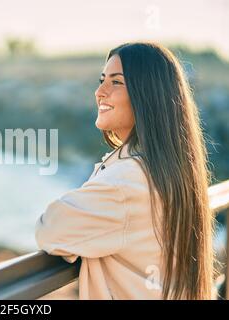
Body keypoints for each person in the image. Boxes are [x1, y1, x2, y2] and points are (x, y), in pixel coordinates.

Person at [35, 42, 215, 300]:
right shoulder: (172, 169)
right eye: (102, 80)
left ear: (147, 95)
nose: (100, 92)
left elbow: (50, 228)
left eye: (116, 82)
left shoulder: (126, 181)